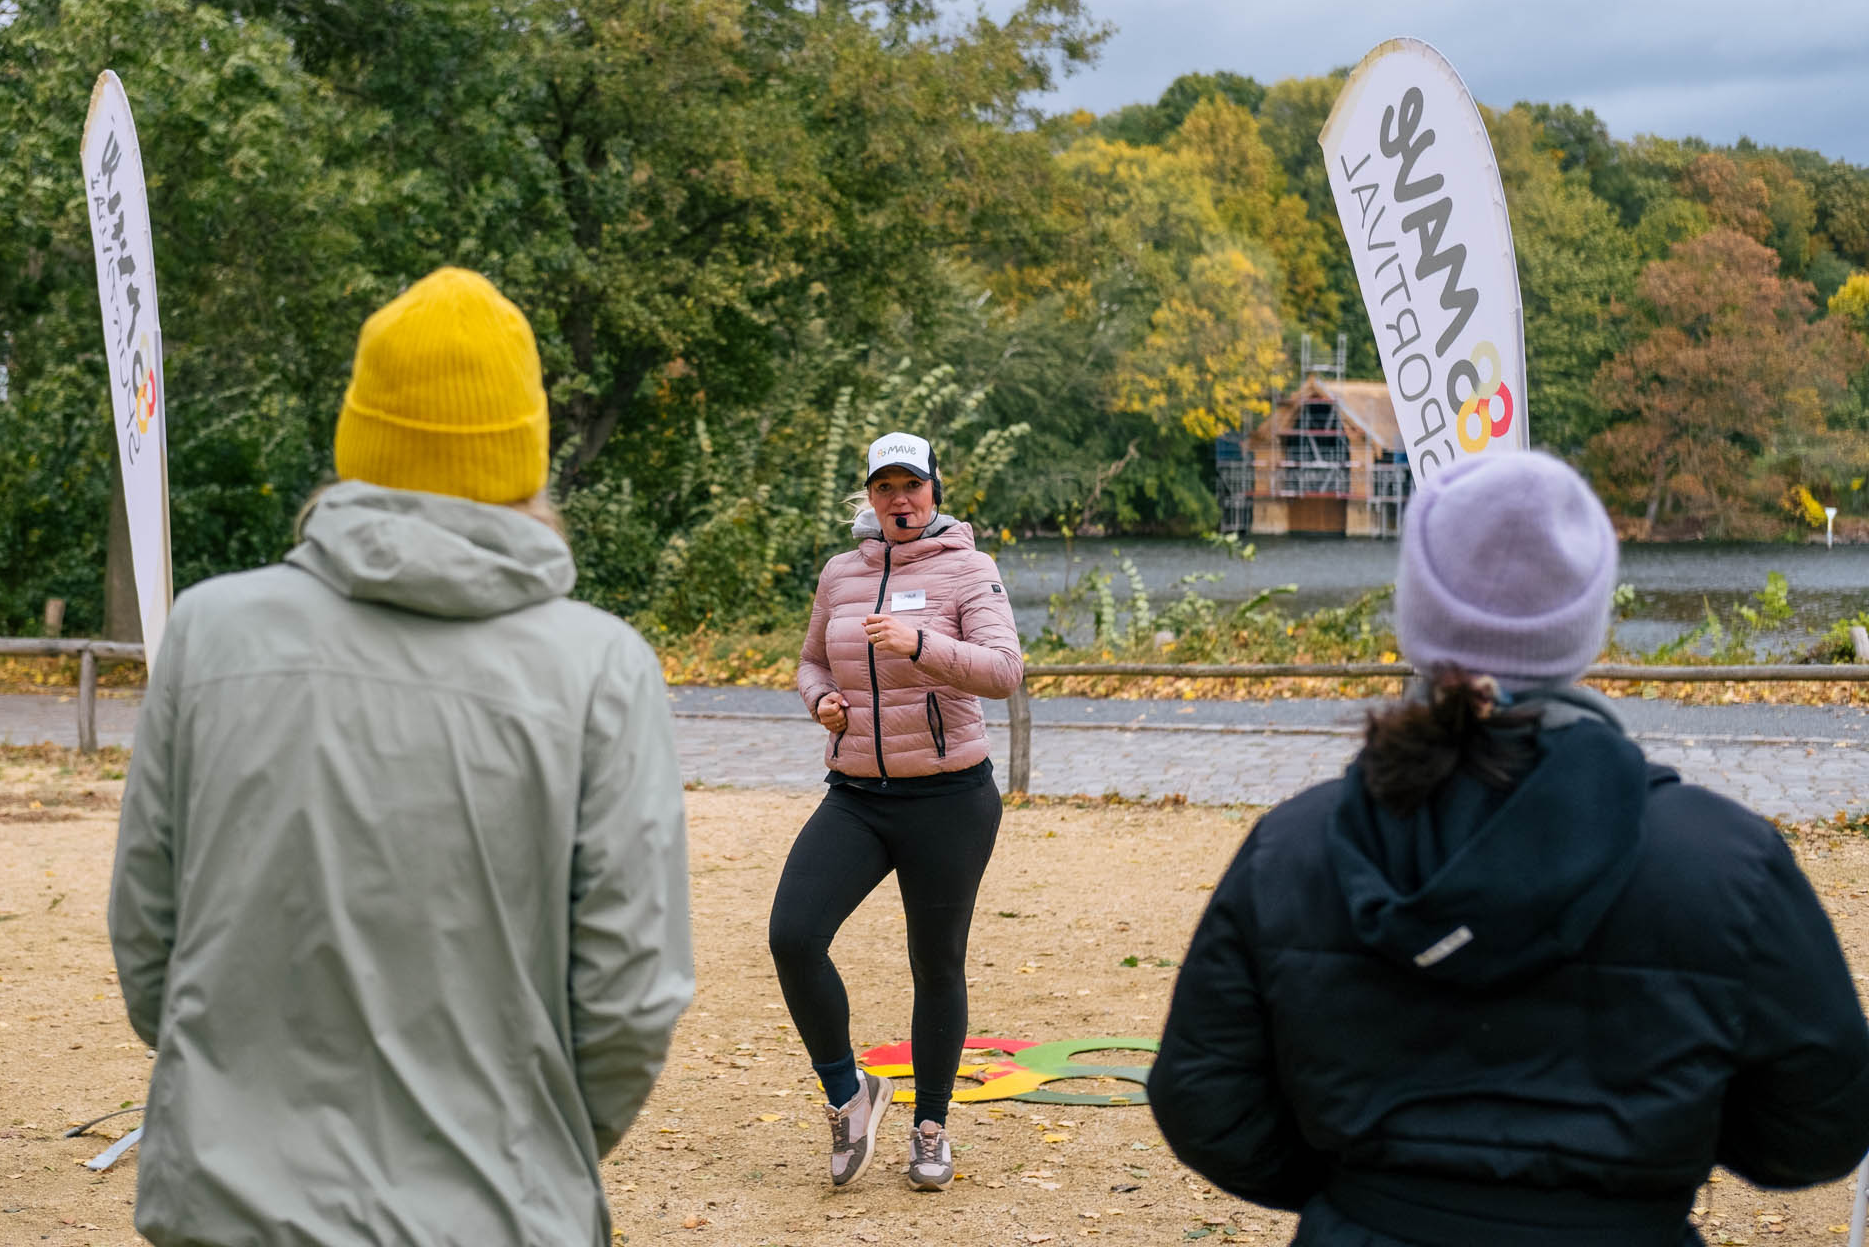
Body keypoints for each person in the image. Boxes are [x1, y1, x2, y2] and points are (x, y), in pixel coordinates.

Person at [108, 267, 694, 1247]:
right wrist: (534, 1147)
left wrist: (233, 1110)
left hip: (231, 1205)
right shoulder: (602, 669)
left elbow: (148, 944)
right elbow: (631, 994)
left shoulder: (209, 632)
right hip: (499, 1210)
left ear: (358, 443)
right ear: (527, 458)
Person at [1147, 451, 1869, 1246]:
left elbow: (1202, 1093)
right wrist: (1663, 1142)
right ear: (1586, 621)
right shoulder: (1730, 861)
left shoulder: (1293, 847)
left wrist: (1365, 1189)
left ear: (1416, 615)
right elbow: (1822, 1122)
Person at [770, 431, 1023, 1193]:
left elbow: (1005, 672)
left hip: (949, 798)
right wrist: (824, 700)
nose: (899, 500)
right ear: (870, 497)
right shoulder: (841, 574)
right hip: (857, 796)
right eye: (885, 487)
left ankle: (932, 1126)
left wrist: (921, 644)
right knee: (793, 935)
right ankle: (850, 1095)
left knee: (935, 961)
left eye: (911, 485)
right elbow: (812, 660)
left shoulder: (969, 570)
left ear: (935, 491)